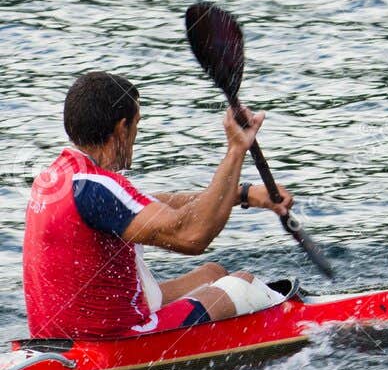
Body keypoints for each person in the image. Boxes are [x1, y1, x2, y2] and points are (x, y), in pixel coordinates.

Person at [23, 71, 294, 340]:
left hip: (61, 337)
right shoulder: (98, 187)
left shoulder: (59, 178)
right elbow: (192, 236)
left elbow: (157, 204)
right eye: (137, 125)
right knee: (244, 283)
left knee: (214, 273)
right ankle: (301, 322)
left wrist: (241, 195)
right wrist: (236, 150)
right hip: (115, 340)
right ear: (122, 128)